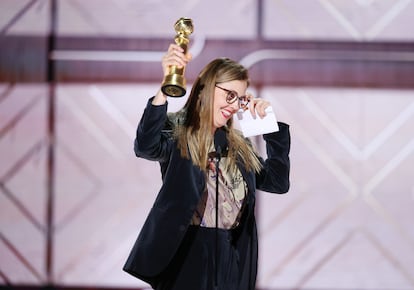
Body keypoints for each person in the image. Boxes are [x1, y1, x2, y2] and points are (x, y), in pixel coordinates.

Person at [123, 43, 291, 290]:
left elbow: (277, 183)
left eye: (241, 98)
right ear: (206, 89)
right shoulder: (179, 133)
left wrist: (269, 129)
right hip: (188, 253)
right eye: (229, 95)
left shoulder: (239, 145)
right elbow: (146, 147)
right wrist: (166, 86)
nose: (234, 106)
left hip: (231, 252)